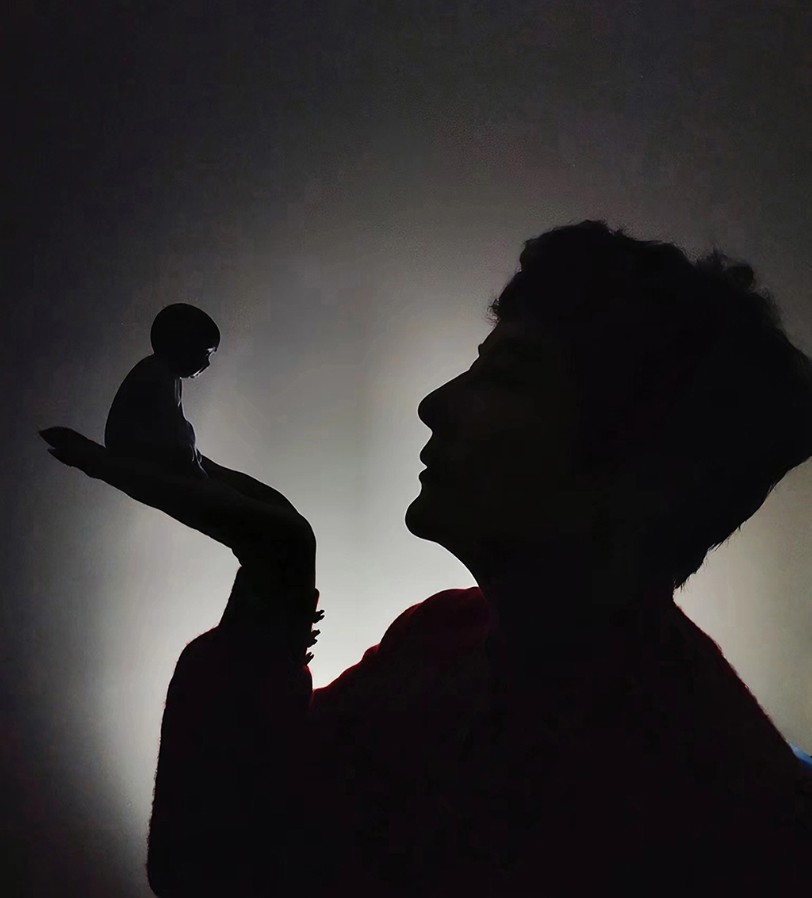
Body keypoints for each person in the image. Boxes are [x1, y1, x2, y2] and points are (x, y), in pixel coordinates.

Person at [41, 221, 812, 896]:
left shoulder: (721, 814)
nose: (435, 403)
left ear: (644, 467)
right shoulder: (440, 640)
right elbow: (223, 863)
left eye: (507, 376)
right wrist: (275, 566)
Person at [104, 303, 220, 478]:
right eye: (206, 354)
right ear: (186, 347)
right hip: (134, 447)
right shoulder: (157, 371)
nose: (207, 363)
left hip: (153, 445)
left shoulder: (172, 377)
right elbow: (166, 425)